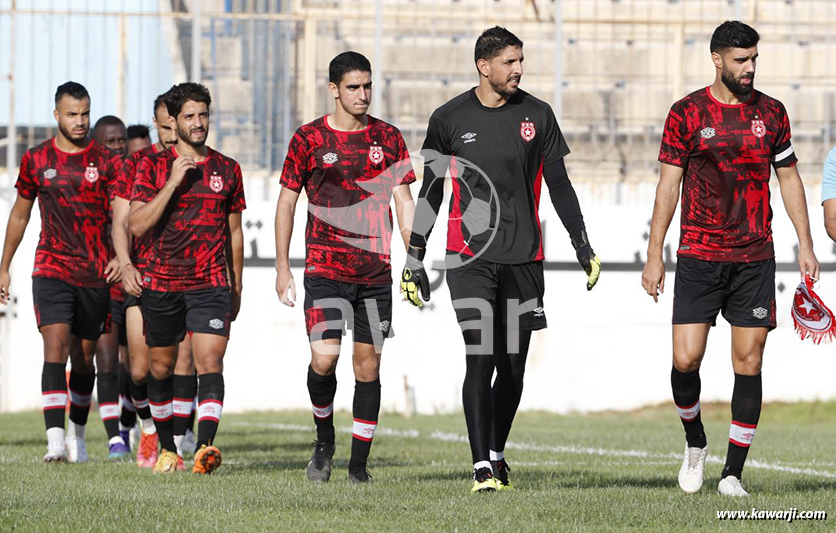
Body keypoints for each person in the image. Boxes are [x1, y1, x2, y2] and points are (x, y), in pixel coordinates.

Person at [401, 27, 600, 492]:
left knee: (512, 367)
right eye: (509, 62)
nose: (519, 69)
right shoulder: (448, 118)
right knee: (481, 356)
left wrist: (582, 244)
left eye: (521, 60)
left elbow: (560, 187)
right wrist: (414, 257)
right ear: (483, 66)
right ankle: (480, 468)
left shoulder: (538, 114)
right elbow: (431, 192)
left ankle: (496, 452)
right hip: (469, 258)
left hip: (524, 257)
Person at [641, 21, 819, 497]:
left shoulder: (772, 112)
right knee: (686, 359)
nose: (750, 68)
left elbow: (789, 180)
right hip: (699, 254)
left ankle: (733, 473)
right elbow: (668, 187)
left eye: (755, 58)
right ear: (717, 60)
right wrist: (654, 254)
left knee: (749, 362)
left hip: (754, 256)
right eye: (741, 60)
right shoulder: (685, 113)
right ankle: (695, 442)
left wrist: (805, 242)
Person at [275, 51, 416, 484]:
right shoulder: (308, 139)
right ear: (334, 89)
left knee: (368, 367)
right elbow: (286, 202)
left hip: (375, 274)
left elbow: (404, 202)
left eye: (368, 86)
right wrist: (283, 267)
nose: (363, 94)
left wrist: (415, 259)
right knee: (323, 360)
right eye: (353, 87)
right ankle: (324, 441)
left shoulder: (389, 138)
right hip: (325, 269)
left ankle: (358, 467)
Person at [0, 81, 123, 462]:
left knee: (84, 360)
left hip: (96, 273)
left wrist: (122, 256)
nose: (80, 121)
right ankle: (54, 442)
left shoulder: (107, 160)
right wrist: (3, 267)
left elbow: (122, 213)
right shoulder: (37, 159)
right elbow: (20, 213)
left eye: (85, 113)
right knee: (54, 348)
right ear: (56, 115)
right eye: (72, 114)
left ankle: (77, 435)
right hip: (51, 268)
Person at [129, 82, 245, 474]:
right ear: (173, 122)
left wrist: (237, 285)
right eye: (190, 117)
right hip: (160, 283)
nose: (198, 123)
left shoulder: (228, 169)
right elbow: (138, 223)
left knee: (210, 359)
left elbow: (234, 233)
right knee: (159, 369)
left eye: (203, 115)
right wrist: (173, 182)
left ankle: (205, 448)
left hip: (211, 282)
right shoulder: (151, 166)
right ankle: (167, 449)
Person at [111, 93, 187, 468]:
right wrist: (125, 264)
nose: (173, 131)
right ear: (156, 123)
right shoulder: (140, 164)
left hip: (186, 281)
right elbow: (121, 221)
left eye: (177, 122)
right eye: (165, 124)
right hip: (144, 279)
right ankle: (150, 428)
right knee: (139, 369)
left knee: (182, 362)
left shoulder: (200, 162)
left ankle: (181, 439)